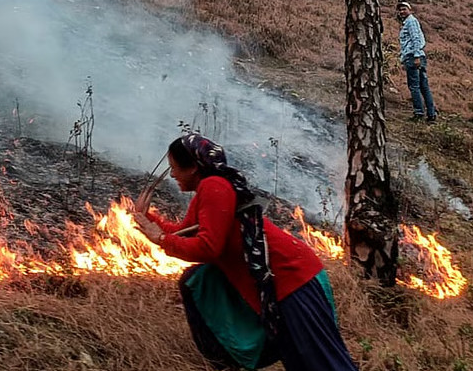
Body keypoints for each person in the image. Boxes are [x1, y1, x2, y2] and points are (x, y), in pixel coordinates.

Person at [133, 134, 358, 371]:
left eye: (175, 167)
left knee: (323, 363)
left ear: (193, 167)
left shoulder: (214, 186)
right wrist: (148, 220)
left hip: (291, 278)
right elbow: (186, 234)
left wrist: (159, 238)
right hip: (285, 281)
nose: (172, 175)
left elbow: (208, 247)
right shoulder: (209, 189)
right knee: (303, 362)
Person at [397, 1, 437, 122]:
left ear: (410, 9)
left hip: (413, 57)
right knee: (423, 86)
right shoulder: (408, 22)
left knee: (414, 86)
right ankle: (431, 114)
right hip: (414, 56)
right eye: (400, 10)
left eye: (404, 9)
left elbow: (416, 39)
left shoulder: (411, 21)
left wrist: (417, 56)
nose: (402, 12)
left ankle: (419, 113)